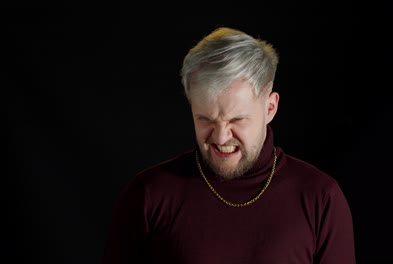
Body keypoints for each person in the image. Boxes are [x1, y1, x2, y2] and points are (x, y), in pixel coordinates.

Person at [102, 26, 356, 264]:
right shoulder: (148, 195)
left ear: (270, 108)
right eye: (205, 119)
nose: (221, 137)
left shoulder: (321, 198)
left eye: (237, 119)